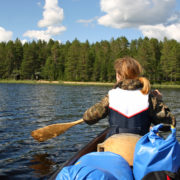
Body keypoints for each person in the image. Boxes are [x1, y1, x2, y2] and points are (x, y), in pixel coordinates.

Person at [83, 57, 176, 137]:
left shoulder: (110, 96)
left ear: (118, 76)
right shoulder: (150, 97)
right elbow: (170, 124)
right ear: (137, 75)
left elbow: (88, 118)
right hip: (140, 147)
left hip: (115, 147)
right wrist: (159, 101)